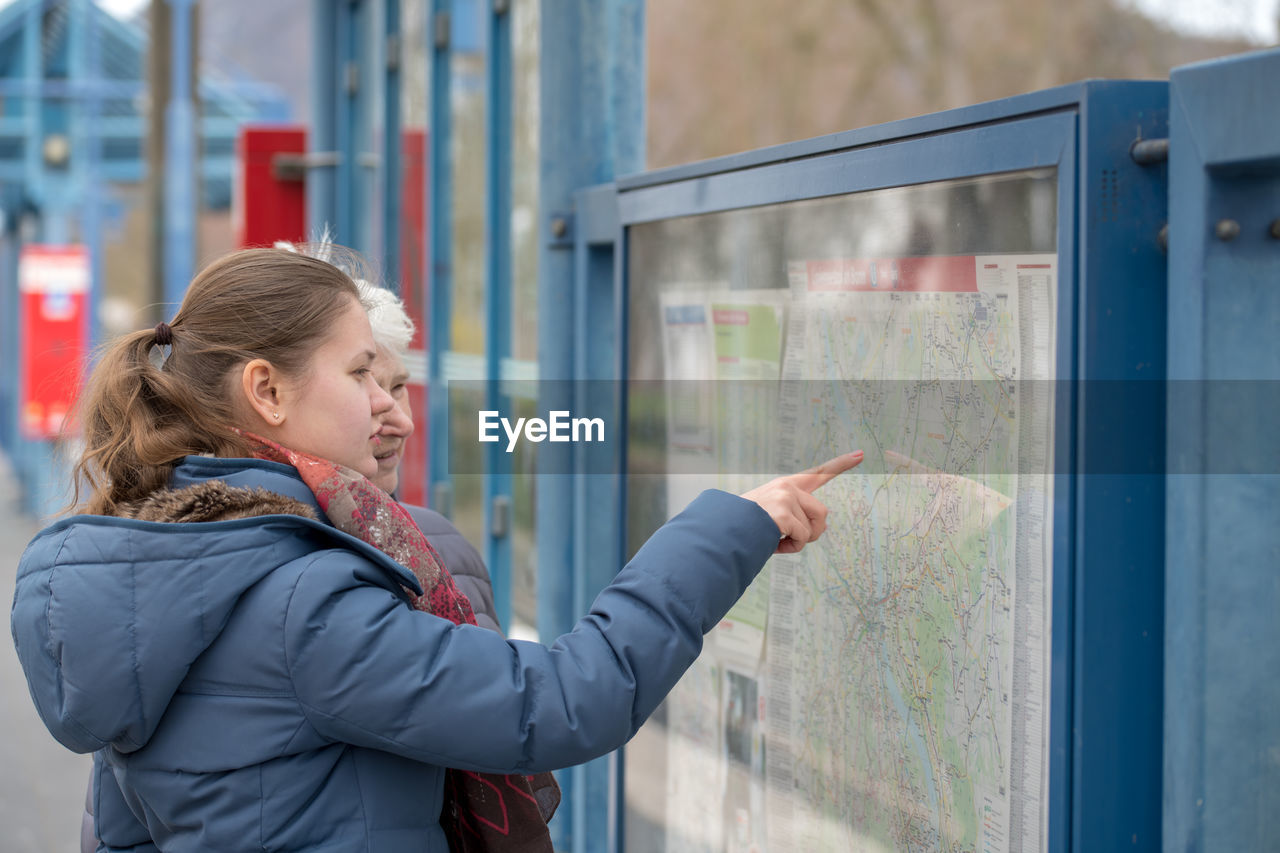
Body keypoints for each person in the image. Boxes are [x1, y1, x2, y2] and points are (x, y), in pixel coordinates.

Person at [12, 246, 861, 852]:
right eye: (359, 375)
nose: (391, 410)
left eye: (395, 382)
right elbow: (562, 701)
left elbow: (119, 832)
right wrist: (725, 526)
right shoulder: (298, 600)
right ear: (266, 390)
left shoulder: (167, 566)